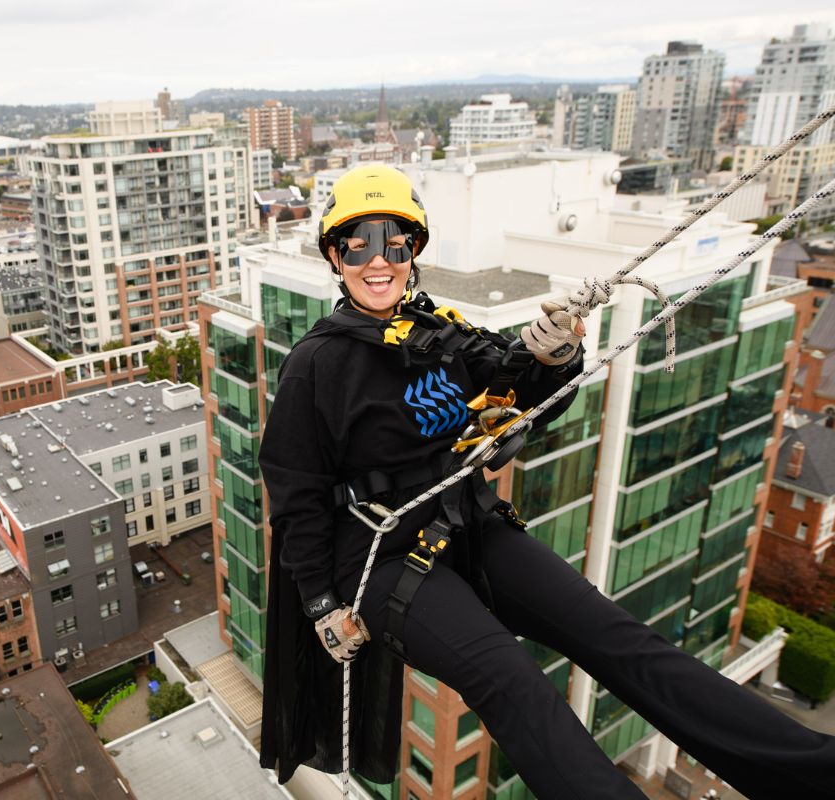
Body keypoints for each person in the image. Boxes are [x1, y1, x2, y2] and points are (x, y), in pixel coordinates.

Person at [257, 164, 835, 799]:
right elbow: (295, 495)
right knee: (514, 683)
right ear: (335, 257)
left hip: (461, 524)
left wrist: (552, 353)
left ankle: (812, 773)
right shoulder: (316, 365)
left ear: (413, 251)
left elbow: (518, 384)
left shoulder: (436, 332)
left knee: (613, 636)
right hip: (377, 557)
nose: (377, 260)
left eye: (394, 241)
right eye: (356, 244)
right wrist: (320, 603)